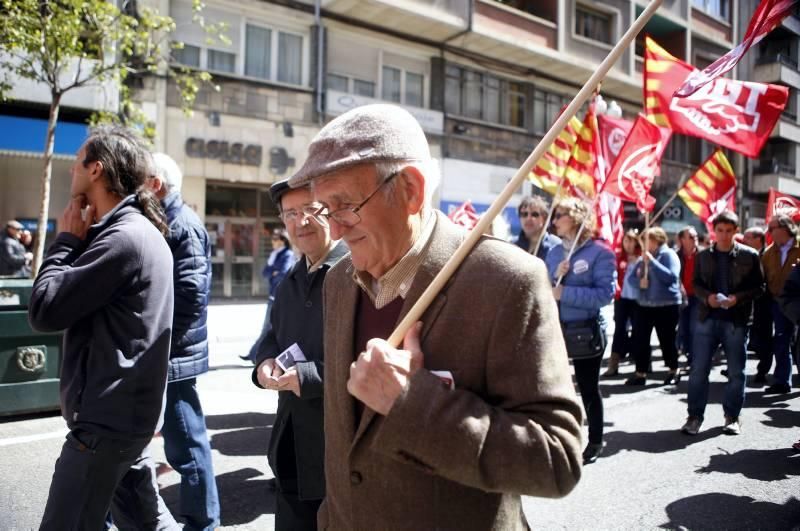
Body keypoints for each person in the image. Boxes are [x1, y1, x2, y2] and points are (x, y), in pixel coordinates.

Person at [289, 104, 583, 530]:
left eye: (345, 206)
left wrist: (412, 403)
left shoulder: (505, 282)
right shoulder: (338, 281)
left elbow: (556, 460)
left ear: (410, 188)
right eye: (325, 210)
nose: (333, 230)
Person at [28, 125, 175, 530]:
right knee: (146, 524)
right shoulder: (134, 232)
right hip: (125, 419)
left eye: (78, 161)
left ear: (96, 170)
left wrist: (64, 242)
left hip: (105, 424)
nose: (71, 169)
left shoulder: (122, 238)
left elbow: (44, 310)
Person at [118, 151, 217, 531]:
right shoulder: (164, 220)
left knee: (187, 447)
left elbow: (191, 295)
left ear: (156, 185)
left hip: (173, 356)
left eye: (138, 182)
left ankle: (200, 523)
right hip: (164, 351)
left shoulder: (182, 224)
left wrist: (159, 343)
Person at [252, 178, 347, 530]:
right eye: (290, 213)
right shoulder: (290, 279)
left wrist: (308, 377)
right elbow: (271, 337)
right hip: (289, 445)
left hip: (335, 453)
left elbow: (367, 358)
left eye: (310, 209)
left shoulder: (356, 274)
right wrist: (264, 363)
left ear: (332, 212)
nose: (300, 221)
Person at [545, 197, 616, 464]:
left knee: (588, 387)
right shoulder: (553, 253)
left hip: (585, 331)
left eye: (559, 215)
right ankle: (561, 440)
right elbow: (545, 289)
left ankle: (595, 440)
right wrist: (553, 279)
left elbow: (604, 296)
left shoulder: (600, 252)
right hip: (555, 331)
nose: (554, 221)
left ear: (575, 217)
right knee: (556, 389)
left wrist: (565, 291)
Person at [681, 211, 764, 436]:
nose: (724, 235)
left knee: (736, 372)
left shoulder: (749, 255)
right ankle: (694, 417)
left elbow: (759, 287)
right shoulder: (704, 256)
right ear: (714, 231)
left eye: (729, 231)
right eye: (720, 230)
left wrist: (737, 298)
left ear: (736, 231)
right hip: (707, 318)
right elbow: (695, 283)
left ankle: (732, 417)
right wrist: (707, 297)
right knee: (699, 370)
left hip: (736, 321)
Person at [625, 227, 682, 386]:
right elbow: (630, 279)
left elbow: (671, 277)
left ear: (656, 240)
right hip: (644, 304)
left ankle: (673, 370)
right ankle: (640, 372)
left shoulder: (669, 255)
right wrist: (639, 282)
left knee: (667, 340)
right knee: (640, 339)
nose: (643, 244)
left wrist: (653, 263)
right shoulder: (643, 258)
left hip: (666, 305)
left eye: (646, 240)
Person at [242, 227, 295, 362]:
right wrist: (273, 272)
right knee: (269, 327)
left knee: (271, 328)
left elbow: (282, 273)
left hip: (280, 297)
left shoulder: (287, 255)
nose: (272, 241)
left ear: (283, 241)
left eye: (275, 239)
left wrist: (274, 273)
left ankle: (255, 355)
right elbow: (265, 273)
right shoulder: (275, 255)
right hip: (273, 295)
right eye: (272, 239)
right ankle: (255, 354)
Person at [762, 214, 800, 394]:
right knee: (781, 339)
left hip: (798, 303)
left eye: (772, 228)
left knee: (797, 342)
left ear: (786, 228)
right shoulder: (768, 253)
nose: (769, 232)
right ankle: (782, 381)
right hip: (779, 303)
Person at [605, 229, 642, 376]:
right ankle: (613, 364)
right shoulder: (619, 257)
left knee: (639, 330)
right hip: (622, 299)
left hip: (637, 300)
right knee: (620, 329)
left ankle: (641, 363)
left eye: (631, 240)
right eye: (626, 240)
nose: (628, 244)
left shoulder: (641, 258)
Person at [742, 227, 772, 385]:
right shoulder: (744, 255)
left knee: (763, 339)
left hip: (763, 303)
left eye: (748, 237)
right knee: (747, 338)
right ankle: (737, 367)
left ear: (758, 239)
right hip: (747, 303)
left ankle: (763, 370)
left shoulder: (767, 255)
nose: (744, 240)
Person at [676, 226, 700, 368]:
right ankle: (684, 351)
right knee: (683, 327)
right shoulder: (676, 256)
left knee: (694, 327)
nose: (694, 239)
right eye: (690, 236)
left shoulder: (703, 255)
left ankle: (693, 356)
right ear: (682, 240)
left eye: (695, 236)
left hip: (698, 297)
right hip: (681, 297)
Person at [514, 195, 561, 260]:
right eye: (524, 214)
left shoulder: (556, 246)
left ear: (544, 218)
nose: (529, 218)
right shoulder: (512, 245)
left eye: (534, 214)